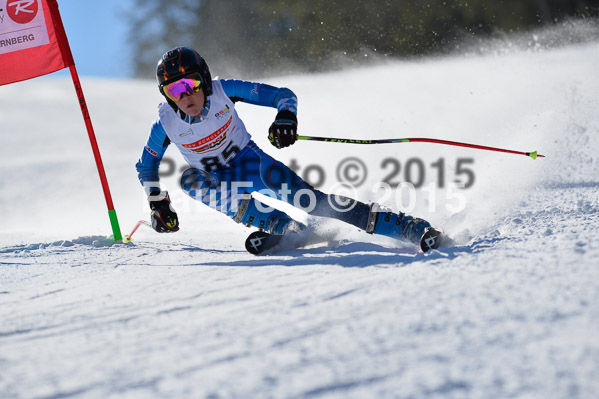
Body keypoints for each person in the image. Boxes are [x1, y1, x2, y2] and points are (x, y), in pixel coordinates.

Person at [136, 46, 444, 252]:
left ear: (203, 78)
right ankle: (277, 223)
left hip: (255, 167)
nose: (185, 95)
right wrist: (157, 202)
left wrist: (285, 117)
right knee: (190, 179)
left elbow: (283, 95)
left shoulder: (224, 91)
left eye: (189, 83)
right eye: (174, 90)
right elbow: (146, 166)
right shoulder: (165, 124)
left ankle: (407, 228)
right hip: (220, 184)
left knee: (316, 203)